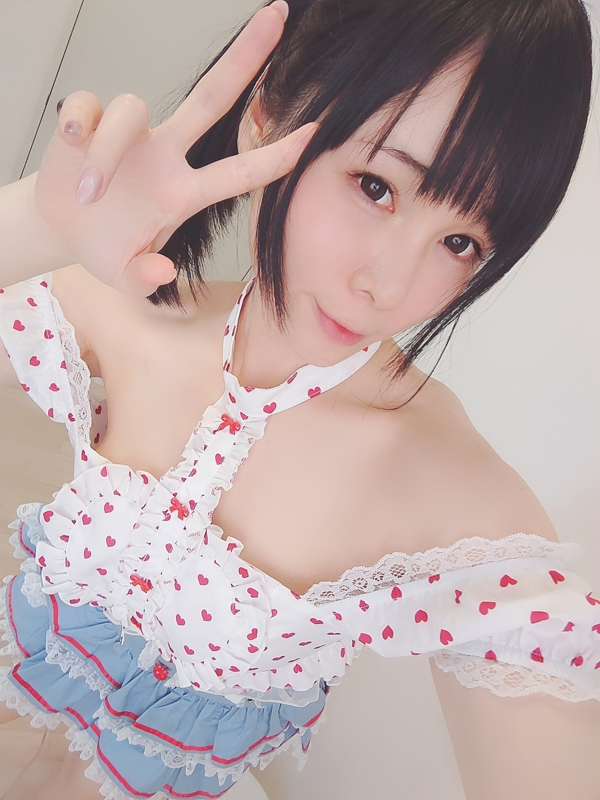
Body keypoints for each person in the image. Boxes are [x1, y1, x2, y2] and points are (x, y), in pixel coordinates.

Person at [0, 1, 598, 798]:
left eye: (461, 242)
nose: (389, 285)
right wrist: (36, 226)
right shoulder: (130, 314)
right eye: (376, 186)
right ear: (267, 119)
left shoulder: (447, 492)